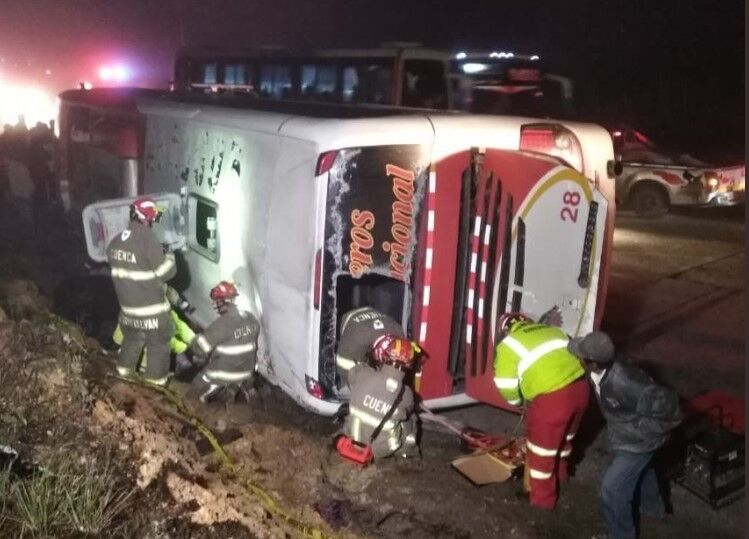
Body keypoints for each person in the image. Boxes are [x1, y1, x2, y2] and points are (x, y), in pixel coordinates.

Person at [569, 331, 681, 539]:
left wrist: (637, 432)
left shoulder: (629, 382)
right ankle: (654, 510)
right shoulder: (597, 370)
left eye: (580, 357)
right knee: (644, 470)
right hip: (625, 436)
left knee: (612, 491)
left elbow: (672, 413)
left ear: (592, 363)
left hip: (638, 443)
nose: (577, 358)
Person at [493, 312, 589, 509]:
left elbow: (505, 384)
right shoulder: (553, 331)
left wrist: (518, 401)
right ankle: (562, 476)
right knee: (564, 440)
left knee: (540, 453)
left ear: (505, 330)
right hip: (582, 389)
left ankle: (542, 501)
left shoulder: (509, 344)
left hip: (553, 400)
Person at [107, 197, 177, 385]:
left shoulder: (114, 242)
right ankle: (155, 388)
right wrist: (169, 255)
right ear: (146, 219)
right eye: (152, 220)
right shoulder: (147, 239)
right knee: (159, 346)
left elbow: (134, 266)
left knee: (132, 341)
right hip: (152, 314)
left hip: (127, 313)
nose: (152, 224)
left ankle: (122, 378)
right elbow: (167, 273)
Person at [338, 333, 420, 461]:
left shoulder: (364, 375)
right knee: (413, 420)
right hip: (381, 450)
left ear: (384, 356)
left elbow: (353, 374)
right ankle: (407, 454)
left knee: (351, 407)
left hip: (353, 437)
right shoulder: (406, 394)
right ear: (408, 365)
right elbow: (408, 410)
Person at [189, 280, 260, 403]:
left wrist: (195, 339)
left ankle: (195, 407)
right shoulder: (251, 318)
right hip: (247, 373)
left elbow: (199, 350)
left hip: (223, 373)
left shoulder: (221, 324)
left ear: (222, 302)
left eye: (216, 302)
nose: (214, 305)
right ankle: (233, 396)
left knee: (196, 387)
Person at [335, 306, 405, 388]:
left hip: (372, 320)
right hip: (351, 319)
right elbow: (344, 368)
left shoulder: (399, 332)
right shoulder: (356, 337)